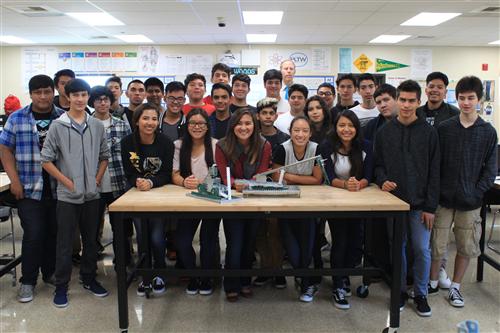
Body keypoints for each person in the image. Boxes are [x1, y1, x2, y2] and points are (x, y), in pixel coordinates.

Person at [41, 78, 110, 308]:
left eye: (84, 95)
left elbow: (104, 156)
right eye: (75, 95)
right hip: (67, 196)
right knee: (65, 243)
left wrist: (97, 179)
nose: (80, 99)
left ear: (88, 97)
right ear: (67, 97)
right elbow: (46, 160)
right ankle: (61, 286)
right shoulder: (57, 126)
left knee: (91, 240)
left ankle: (89, 278)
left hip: (92, 194)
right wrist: (67, 182)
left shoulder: (96, 125)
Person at [430, 76, 497, 308]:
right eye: (461, 98)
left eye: (471, 98)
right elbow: (435, 163)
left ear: (479, 100)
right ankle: (432, 282)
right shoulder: (445, 128)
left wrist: (476, 192)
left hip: (470, 202)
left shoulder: (487, 131)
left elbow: (490, 169)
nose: (466, 103)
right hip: (444, 199)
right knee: (437, 244)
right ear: (456, 98)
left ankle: (456, 288)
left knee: (465, 246)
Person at [374, 80, 439, 317]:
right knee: (397, 248)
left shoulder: (429, 133)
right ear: (397, 100)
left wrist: (430, 206)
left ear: (419, 102)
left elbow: (435, 171)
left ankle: (420, 293)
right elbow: (378, 166)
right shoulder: (385, 132)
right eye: (403, 100)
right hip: (395, 203)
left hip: (421, 205)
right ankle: (399, 290)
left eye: (412, 101)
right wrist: (382, 181)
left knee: (422, 249)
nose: (407, 105)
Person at [0, 75, 64, 303]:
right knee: (34, 233)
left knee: (53, 233)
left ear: (53, 92)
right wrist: (13, 180)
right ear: (31, 94)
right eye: (38, 92)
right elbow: (5, 149)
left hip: (58, 189)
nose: (43, 96)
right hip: (28, 188)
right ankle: (27, 280)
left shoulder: (63, 117)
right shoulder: (17, 118)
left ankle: (49, 273)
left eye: (47, 91)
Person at [215, 108, 272, 302]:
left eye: (248, 123)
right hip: (232, 201)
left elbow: (262, 175)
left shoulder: (264, 145)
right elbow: (224, 178)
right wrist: (239, 183)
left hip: (255, 200)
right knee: (235, 244)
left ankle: (245, 281)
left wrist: (245, 183)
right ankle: (231, 283)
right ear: (232, 126)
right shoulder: (222, 146)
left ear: (254, 126)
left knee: (249, 243)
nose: (244, 127)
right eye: (239, 123)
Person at [320, 109, 373, 310]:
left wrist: (359, 184)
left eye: (350, 125)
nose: (346, 129)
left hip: (360, 199)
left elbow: (368, 175)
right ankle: (338, 283)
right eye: (342, 125)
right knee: (340, 239)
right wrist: (346, 185)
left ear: (357, 129)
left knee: (356, 239)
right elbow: (328, 176)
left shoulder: (366, 146)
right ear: (335, 127)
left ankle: (346, 274)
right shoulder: (327, 147)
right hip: (336, 199)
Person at [120, 102, 174, 297]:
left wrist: (151, 182)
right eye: (145, 118)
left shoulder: (166, 143)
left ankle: (160, 272)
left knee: (157, 237)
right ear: (136, 121)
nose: (149, 122)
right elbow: (128, 172)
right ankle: (145, 275)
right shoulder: (127, 142)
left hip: (158, 193)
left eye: (153, 118)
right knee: (142, 235)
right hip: (136, 192)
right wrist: (138, 181)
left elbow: (167, 173)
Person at [273, 116, 322, 302]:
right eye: (296, 130)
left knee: (307, 243)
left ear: (310, 133)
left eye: (304, 131)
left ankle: (306, 281)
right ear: (290, 132)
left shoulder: (316, 149)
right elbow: (277, 176)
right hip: (285, 203)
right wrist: (301, 178)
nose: (300, 134)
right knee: (291, 245)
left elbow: (317, 180)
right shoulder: (282, 149)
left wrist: (290, 176)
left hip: (310, 204)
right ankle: (302, 276)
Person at [172, 108, 220, 296]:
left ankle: (207, 277)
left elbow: (221, 175)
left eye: (201, 123)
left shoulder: (216, 145)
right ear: (187, 126)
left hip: (209, 200)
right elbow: (174, 174)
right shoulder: (178, 145)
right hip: (187, 201)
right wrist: (184, 181)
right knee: (182, 241)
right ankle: (193, 275)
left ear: (208, 127)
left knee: (208, 241)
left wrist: (206, 183)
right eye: (193, 123)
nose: (197, 127)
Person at [89, 85, 133, 267]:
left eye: (106, 99)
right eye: (98, 99)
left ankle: (123, 264)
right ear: (92, 102)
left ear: (111, 101)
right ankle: (90, 267)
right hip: (93, 186)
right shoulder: (84, 126)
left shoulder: (122, 125)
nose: (102, 102)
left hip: (118, 185)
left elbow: (131, 154)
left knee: (122, 229)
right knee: (90, 230)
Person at [253, 97, 289, 288]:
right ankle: (264, 269)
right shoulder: (251, 135)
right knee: (260, 231)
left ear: (276, 115)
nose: (268, 116)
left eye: (271, 113)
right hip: (256, 189)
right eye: (264, 113)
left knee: (275, 231)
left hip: (278, 190)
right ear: (258, 116)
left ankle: (278, 270)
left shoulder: (283, 138)